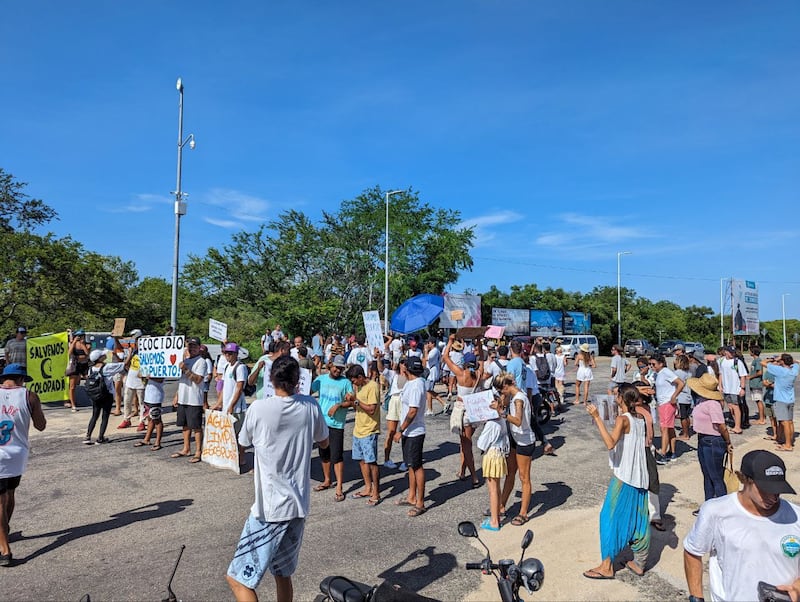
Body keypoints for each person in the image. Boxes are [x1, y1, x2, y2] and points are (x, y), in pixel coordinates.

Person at [226, 356, 329, 602]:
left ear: (270, 380)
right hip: (297, 506)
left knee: (238, 579)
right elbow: (324, 441)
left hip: (269, 510)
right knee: (282, 574)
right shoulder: (310, 407)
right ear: (298, 382)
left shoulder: (259, 409)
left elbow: (242, 444)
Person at [684, 450, 800, 602]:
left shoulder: (796, 517)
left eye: (778, 490)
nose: (773, 496)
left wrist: (796, 589)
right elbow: (693, 552)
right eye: (766, 489)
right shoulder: (715, 511)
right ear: (744, 479)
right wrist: (696, 597)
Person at [583, 385, 649, 579]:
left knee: (608, 517)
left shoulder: (623, 419)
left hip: (626, 475)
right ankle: (639, 562)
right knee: (638, 520)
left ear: (621, 398)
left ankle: (607, 566)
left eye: (616, 394)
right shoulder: (640, 418)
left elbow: (610, 443)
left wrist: (597, 417)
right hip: (640, 475)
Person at [0, 364, 46, 567]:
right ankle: (4, 529)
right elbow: (40, 425)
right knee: (9, 493)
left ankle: (4, 549)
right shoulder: (29, 396)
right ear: (21, 380)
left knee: (0, 500)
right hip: (17, 454)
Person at [310, 355, 355, 502]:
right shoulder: (321, 379)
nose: (338, 370)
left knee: (337, 456)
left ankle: (339, 487)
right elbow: (308, 391)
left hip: (336, 424)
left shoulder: (346, 382)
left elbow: (351, 401)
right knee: (324, 454)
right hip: (322, 422)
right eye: (336, 367)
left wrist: (340, 404)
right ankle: (327, 480)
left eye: (341, 368)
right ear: (330, 365)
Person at [687, 373, 732, 506]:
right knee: (707, 476)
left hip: (713, 441)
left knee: (716, 477)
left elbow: (722, 426)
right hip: (703, 439)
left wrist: (728, 442)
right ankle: (709, 506)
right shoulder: (702, 400)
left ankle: (722, 508)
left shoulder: (713, 404)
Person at [496, 373, 535, 527]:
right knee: (510, 473)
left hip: (525, 440)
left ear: (506, 386)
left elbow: (518, 421)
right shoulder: (514, 394)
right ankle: (501, 505)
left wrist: (503, 414)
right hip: (515, 439)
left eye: (501, 390)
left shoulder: (518, 399)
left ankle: (523, 513)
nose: (501, 393)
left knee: (524, 477)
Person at [442, 335, 481, 488]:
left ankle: (474, 476)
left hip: (461, 410)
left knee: (466, 445)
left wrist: (450, 341)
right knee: (464, 442)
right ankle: (463, 471)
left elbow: (445, 356)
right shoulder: (478, 375)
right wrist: (478, 342)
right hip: (473, 411)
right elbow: (483, 361)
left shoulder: (460, 374)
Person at [393, 356, 427, 517]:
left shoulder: (416, 385)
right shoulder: (411, 383)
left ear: (408, 368)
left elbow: (413, 411)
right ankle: (412, 496)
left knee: (417, 465)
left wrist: (401, 429)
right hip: (408, 431)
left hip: (414, 432)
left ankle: (420, 502)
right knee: (410, 465)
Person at [345, 365, 381, 505]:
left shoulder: (372, 386)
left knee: (371, 462)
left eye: (354, 381)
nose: (353, 383)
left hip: (369, 429)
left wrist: (356, 400)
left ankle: (376, 492)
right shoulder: (358, 387)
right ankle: (367, 487)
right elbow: (357, 406)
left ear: (360, 377)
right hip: (358, 429)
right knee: (361, 460)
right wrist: (351, 400)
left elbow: (371, 409)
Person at [170, 337, 208, 463]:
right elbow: (182, 380)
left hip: (194, 399)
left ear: (199, 347)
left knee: (196, 426)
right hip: (183, 397)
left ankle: (198, 451)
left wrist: (185, 369)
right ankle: (186, 448)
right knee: (185, 425)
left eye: (194, 346)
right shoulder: (185, 360)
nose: (192, 349)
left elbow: (198, 380)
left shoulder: (201, 362)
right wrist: (177, 395)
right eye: (190, 346)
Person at [477, 388, 509, 531]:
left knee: (492, 489)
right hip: (500, 454)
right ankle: (497, 515)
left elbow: (481, 444)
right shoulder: (501, 419)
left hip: (492, 455)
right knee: (496, 487)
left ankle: (494, 521)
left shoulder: (492, 424)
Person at [216, 343, 249, 467]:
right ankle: (232, 456)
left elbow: (239, 388)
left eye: (230, 353)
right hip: (227, 407)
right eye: (225, 353)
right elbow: (224, 388)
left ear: (236, 354)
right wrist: (219, 403)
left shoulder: (240, 367)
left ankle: (242, 457)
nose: (227, 356)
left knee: (239, 434)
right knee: (228, 434)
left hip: (238, 408)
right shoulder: (227, 367)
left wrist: (231, 405)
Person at [84, 349, 126, 445]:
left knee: (94, 415)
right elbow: (124, 364)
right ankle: (100, 438)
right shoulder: (107, 367)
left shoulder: (91, 369)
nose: (105, 356)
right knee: (105, 416)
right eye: (103, 355)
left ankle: (88, 436)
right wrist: (131, 354)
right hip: (106, 395)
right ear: (100, 358)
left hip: (95, 395)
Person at [650, 354, 684, 464]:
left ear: (661, 364)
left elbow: (680, 383)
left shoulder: (665, 372)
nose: (652, 366)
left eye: (654, 364)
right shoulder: (658, 374)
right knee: (669, 428)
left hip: (667, 403)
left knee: (664, 428)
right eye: (651, 364)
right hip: (662, 403)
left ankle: (663, 453)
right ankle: (672, 452)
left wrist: (674, 396)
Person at [761, 353, 799, 452]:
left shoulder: (780, 370)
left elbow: (763, 363)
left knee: (784, 423)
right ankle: (790, 441)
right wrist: (788, 360)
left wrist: (772, 359)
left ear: (782, 361)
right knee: (790, 422)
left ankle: (788, 445)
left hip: (781, 400)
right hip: (790, 399)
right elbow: (797, 363)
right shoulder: (794, 370)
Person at [383, 358, 406, 470]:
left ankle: (406, 460)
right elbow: (381, 369)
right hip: (394, 400)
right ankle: (386, 459)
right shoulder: (393, 374)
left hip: (405, 401)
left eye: (406, 363)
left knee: (406, 432)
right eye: (402, 362)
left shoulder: (411, 376)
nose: (404, 365)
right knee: (391, 432)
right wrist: (378, 358)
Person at [718, 346, 747, 434]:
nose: (732, 354)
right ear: (726, 352)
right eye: (731, 352)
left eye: (733, 352)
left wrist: (742, 388)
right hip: (726, 388)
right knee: (730, 406)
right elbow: (720, 374)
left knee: (735, 406)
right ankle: (736, 424)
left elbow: (743, 376)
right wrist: (720, 386)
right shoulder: (721, 361)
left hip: (735, 388)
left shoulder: (737, 362)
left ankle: (738, 426)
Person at [134, 372, 165, 451]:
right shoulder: (150, 367)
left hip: (156, 396)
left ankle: (158, 442)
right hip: (148, 396)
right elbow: (145, 381)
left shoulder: (160, 368)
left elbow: (161, 379)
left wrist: (149, 377)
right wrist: (142, 376)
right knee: (149, 418)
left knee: (157, 419)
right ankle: (146, 439)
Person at [67, 329, 90, 412]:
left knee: (90, 382)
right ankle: (73, 404)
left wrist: (82, 344)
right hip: (75, 365)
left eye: (82, 336)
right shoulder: (73, 344)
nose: (80, 337)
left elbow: (87, 353)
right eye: (78, 336)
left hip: (84, 365)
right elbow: (69, 353)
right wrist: (74, 342)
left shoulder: (87, 344)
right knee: (72, 386)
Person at [673, 354, 694, 441]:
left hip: (681, 396)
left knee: (683, 417)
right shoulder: (689, 373)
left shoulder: (677, 373)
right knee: (687, 416)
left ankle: (685, 434)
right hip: (688, 397)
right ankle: (687, 431)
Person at [748, 346, 766, 425]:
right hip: (753, 383)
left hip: (757, 383)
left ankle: (761, 419)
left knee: (759, 401)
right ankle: (761, 417)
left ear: (753, 352)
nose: (749, 352)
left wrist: (750, 377)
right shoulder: (755, 361)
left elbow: (759, 372)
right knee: (757, 400)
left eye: (750, 351)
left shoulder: (758, 361)